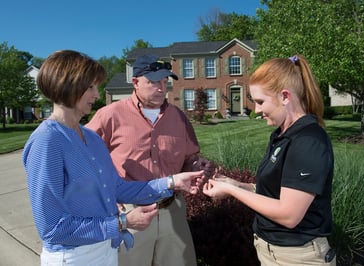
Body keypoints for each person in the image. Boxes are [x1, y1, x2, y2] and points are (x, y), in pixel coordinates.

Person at [22, 50, 205, 266]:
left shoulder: (90, 138)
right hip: (73, 257)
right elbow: (52, 229)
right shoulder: (47, 141)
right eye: (91, 87)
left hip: (105, 248)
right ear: (68, 85)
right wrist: (123, 222)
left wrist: (172, 182)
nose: (97, 95)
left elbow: (116, 188)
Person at [203, 54, 336, 265]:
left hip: (298, 257)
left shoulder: (308, 141)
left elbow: (289, 215)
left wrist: (231, 191)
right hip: (271, 250)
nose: (256, 110)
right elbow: (275, 192)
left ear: (285, 96)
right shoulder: (282, 134)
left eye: (260, 102)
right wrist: (238, 184)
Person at [86, 53, 214, 266]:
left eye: (165, 82)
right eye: (153, 82)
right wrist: (105, 195)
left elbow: (189, 158)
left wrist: (197, 165)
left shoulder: (178, 118)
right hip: (131, 213)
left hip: (172, 210)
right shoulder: (109, 116)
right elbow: (85, 160)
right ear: (135, 82)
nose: (161, 88)